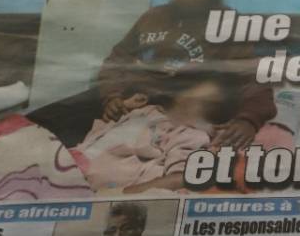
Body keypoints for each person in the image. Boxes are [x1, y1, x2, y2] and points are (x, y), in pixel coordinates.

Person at [28, 0, 275, 149]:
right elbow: (117, 61)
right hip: (127, 99)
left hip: (170, 106)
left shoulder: (228, 25)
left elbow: (253, 80)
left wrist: (248, 121)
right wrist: (112, 97)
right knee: (41, 123)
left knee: (85, 145)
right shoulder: (153, 16)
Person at [72, 75, 228, 194]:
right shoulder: (149, 111)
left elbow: (179, 178)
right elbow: (109, 132)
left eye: (203, 104)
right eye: (188, 96)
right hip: (75, 162)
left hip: (101, 185)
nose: (188, 103)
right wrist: (123, 105)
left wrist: (121, 193)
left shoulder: (189, 135)